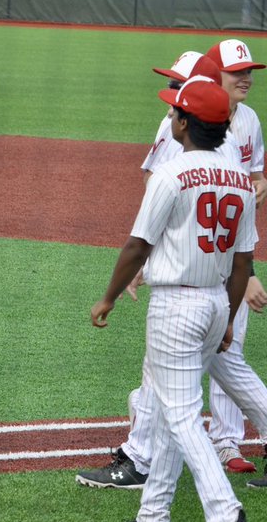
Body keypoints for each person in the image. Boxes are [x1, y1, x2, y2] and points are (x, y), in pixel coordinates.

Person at [78, 45, 267, 490]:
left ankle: (141, 460)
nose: (171, 92)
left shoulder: (232, 123)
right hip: (214, 265)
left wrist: (139, 263)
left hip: (204, 271)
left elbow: (179, 194)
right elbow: (163, 188)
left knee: (164, 368)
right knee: (226, 365)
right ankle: (145, 461)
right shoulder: (187, 125)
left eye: (178, 85)